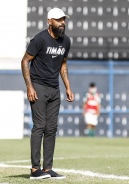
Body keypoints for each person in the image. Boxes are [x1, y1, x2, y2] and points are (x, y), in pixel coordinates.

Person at [21, 8, 74, 180]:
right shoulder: (40, 39)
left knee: (51, 128)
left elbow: (63, 65)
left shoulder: (66, 41)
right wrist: (29, 86)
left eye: (64, 19)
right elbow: (25, 61)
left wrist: (68, 87)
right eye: (59, 20)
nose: (63, 23)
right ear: (49, 21)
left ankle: (47, 169)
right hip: (38, 86)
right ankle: (35, 169)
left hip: (54, 89)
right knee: (40, 126)